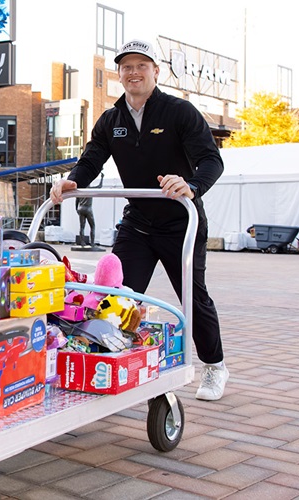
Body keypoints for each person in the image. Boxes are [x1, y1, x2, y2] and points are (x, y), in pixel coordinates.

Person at [50, 39, 228, 401]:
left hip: (181, 222)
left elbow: (212, 160)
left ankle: (214, 366)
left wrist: (190, 185)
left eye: (141, 66)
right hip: (138, 223)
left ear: (155, 71)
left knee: (192, 297)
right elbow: (91, 160)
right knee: (115, 297)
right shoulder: (111, 120)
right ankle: (106, 358)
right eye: (127, 67)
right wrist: (73, 180)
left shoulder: (180, 112)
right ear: (120, 75)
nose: (134, 72)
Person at [76, 173, 103, 246]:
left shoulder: (80, 190)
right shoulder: (90, 189)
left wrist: (77, 210)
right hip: (88, 209)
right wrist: (102, 178)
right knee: (93, 226)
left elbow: (76, 201)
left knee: (82, 226)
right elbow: (100, 186)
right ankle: (92, 243)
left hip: (80, 208)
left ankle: (82, 242)